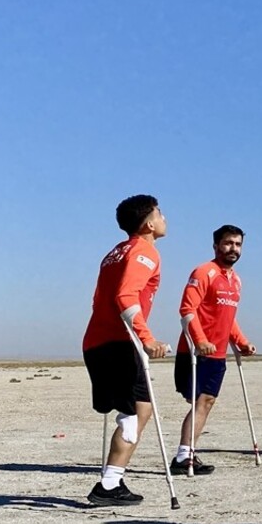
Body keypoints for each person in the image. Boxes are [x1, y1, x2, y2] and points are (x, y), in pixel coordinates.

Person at [82, 194, 169, 506]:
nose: (164, 219)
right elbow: (125, 296)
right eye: (160, 214)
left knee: (139, 409)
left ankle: (112, 481)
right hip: (119, 342)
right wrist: (147, 338)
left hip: (97, 341)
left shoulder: (115, 253)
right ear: (148, 223)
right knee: (134, 415)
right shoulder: (144, 251)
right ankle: (108, 485)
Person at [172, 224, 257, 475]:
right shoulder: (204, 272)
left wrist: (241, 341)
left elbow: (228, 317)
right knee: (197, 401)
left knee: (206, 402)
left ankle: (185, 456)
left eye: (238, 244)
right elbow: (187, 310)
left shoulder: (236, 281)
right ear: (216, 245)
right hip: (194, 353)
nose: (234, 249)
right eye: (228, 243)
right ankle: (184, 456)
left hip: (219, 353)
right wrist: (200, 341)